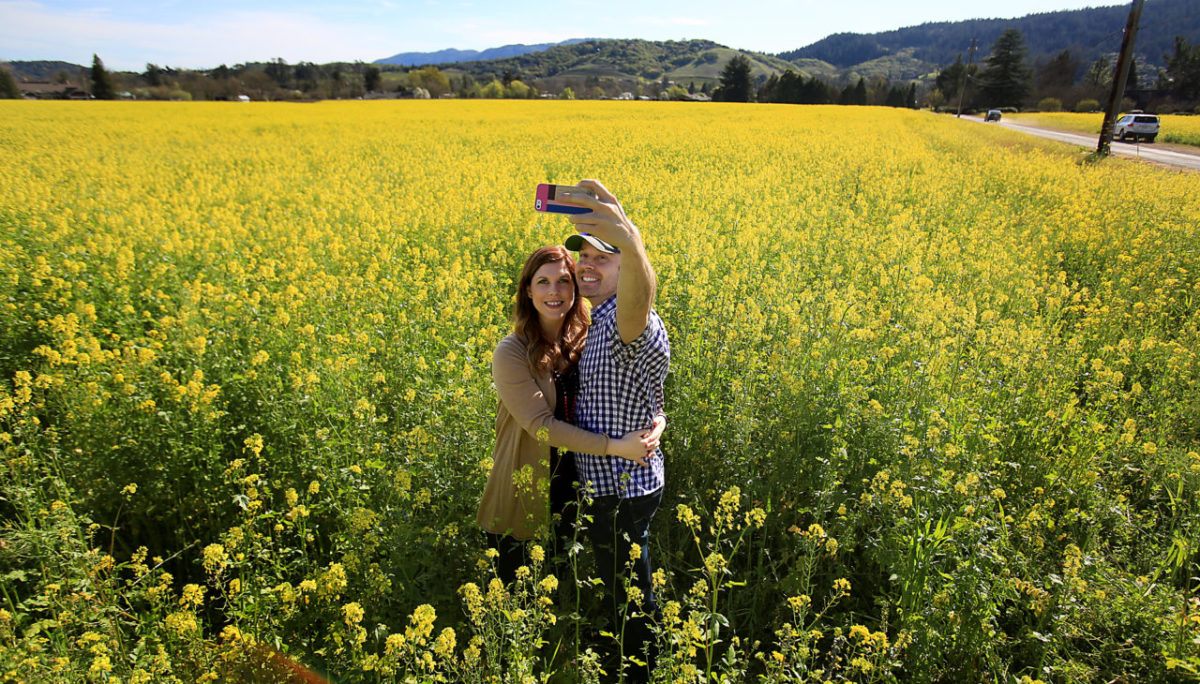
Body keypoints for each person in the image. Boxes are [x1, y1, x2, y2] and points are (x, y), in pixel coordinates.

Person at [476, 245, 665, 584]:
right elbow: (541, 427)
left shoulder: (586, 338)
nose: (554, 291)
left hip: (574, 488)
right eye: (543, 282)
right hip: (526, 486)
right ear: (528, 291)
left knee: (559, 591)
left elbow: (635, 380)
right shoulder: (512, 351)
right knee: (516, 599)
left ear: (575, 288)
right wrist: (616, 446)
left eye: (563, 281)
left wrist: (657, 421)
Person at [559, 180, 670, 681]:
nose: (588, 263)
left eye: (604, 257)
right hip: (608, 479)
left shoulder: (629, 320)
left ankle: (637, 668)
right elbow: (651, 388)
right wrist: (660, 418)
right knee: (615, 579)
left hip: (622, 485)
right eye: (583, 254)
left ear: (627, 267)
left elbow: (639, 303)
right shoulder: (596, 319)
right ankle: (623, 655)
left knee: (628, 586)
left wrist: (631, 240)